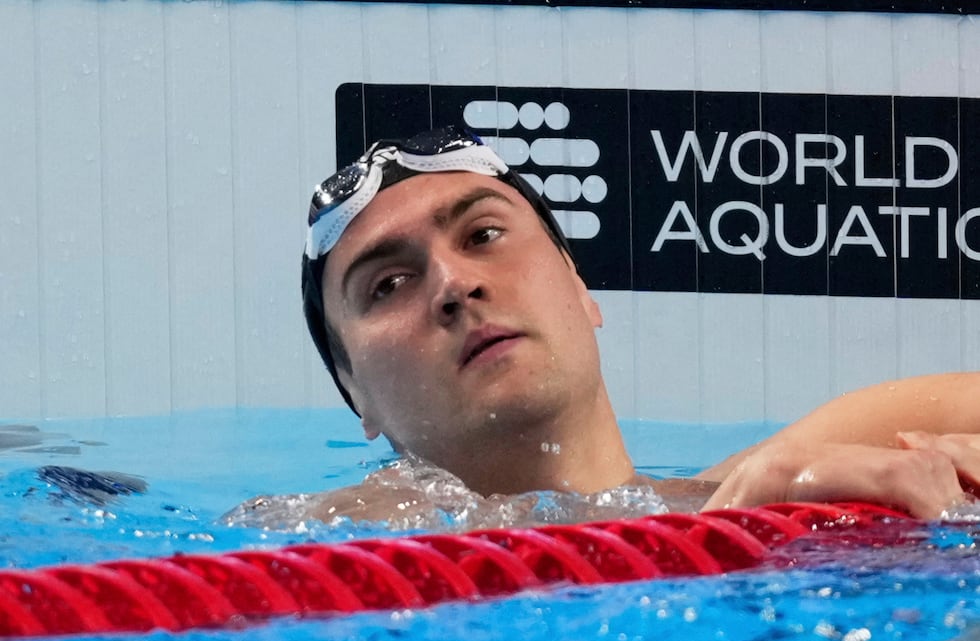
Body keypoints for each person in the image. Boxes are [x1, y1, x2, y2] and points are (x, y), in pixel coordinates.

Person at [225, 127, 980, 530]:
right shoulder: (337, 534)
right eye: (388, 284)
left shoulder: (774, 475)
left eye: (484, 235)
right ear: (356, 393)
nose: (454, 285)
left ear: (580, 287)